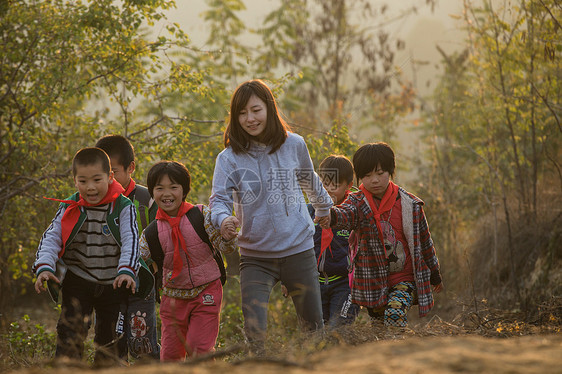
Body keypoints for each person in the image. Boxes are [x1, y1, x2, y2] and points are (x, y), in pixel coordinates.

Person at [209, 79, 333, 355]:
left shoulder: (294, 145)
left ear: (269, 108)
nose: (250, 119)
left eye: (256, 110)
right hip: (255, 256)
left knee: (314, 330)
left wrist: (324, 208)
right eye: (242, 113)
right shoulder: (228, 159)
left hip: (299, 250)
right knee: (255, 332)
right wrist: (223, 220)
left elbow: (309, 180)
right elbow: (218, 201)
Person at [33, 147, 139, 365]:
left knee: (110, 339)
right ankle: (67, 369)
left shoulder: (122, 207)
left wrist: (127, 271)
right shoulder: (70, 206)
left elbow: (131, 240)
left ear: (110, 177)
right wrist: (44, 267)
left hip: (114, 282)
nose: (90, 187)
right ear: (75, 181)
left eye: (97, 179)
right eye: (83, 181)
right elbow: (52, 237)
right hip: (78, 279)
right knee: (70, 333)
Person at [322, 142, 443, 327]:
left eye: (380, 173)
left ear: (390, 172)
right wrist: (330, 215)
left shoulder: (409, 205)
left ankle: (396, 348)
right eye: (367, 176)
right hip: (373, 279)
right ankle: (390, 353)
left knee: (394, 313)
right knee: (379, 327)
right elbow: (344, 213)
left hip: (404, 277)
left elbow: (425, 241)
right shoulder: (357, 202)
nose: (374, 180)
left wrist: (434, 272)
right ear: (359, 178)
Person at [139, 161, 237, 361]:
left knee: (199, 349)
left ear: (184, 190)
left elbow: (226, 248)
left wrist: (228, 235)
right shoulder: (150, 234)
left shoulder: (202, 215)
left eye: (173, 187)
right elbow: (136, 262)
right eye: (160, 188)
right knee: (170, 357)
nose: (167, 194)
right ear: (152, 192)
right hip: (172, 300)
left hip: (206, 291)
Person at [95, 134, 159, 361]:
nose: (108, 179)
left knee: (142, 343)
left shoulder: (147, 199)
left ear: (131, 167)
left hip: (141, 285)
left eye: (114, 172)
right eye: (103, 172)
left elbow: (161, 241)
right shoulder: (93, 201)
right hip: (106, 285)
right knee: (109, 342)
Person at [309, 155, 360, 328]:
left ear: (348, 185)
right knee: (315, 333)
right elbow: (296, 244)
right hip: (314, 284)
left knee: (337, 329)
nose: (329, 190)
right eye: (325, 184)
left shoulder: (354, 211)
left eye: (335, 185)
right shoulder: (310, 211)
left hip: (345, 285)